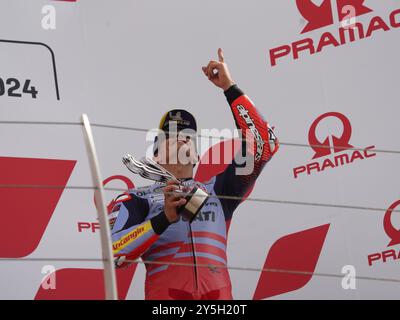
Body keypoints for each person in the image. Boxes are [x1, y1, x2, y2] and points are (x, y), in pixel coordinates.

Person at [110, 48, 279, 300]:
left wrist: (230, 89)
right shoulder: (136, 199)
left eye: (187, 137)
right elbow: (115, 253)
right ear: (155, 156)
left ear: (197, 155)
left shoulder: (220, 190)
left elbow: (265, 143)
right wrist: (163, 219)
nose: (181, 140)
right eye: (171, 136)